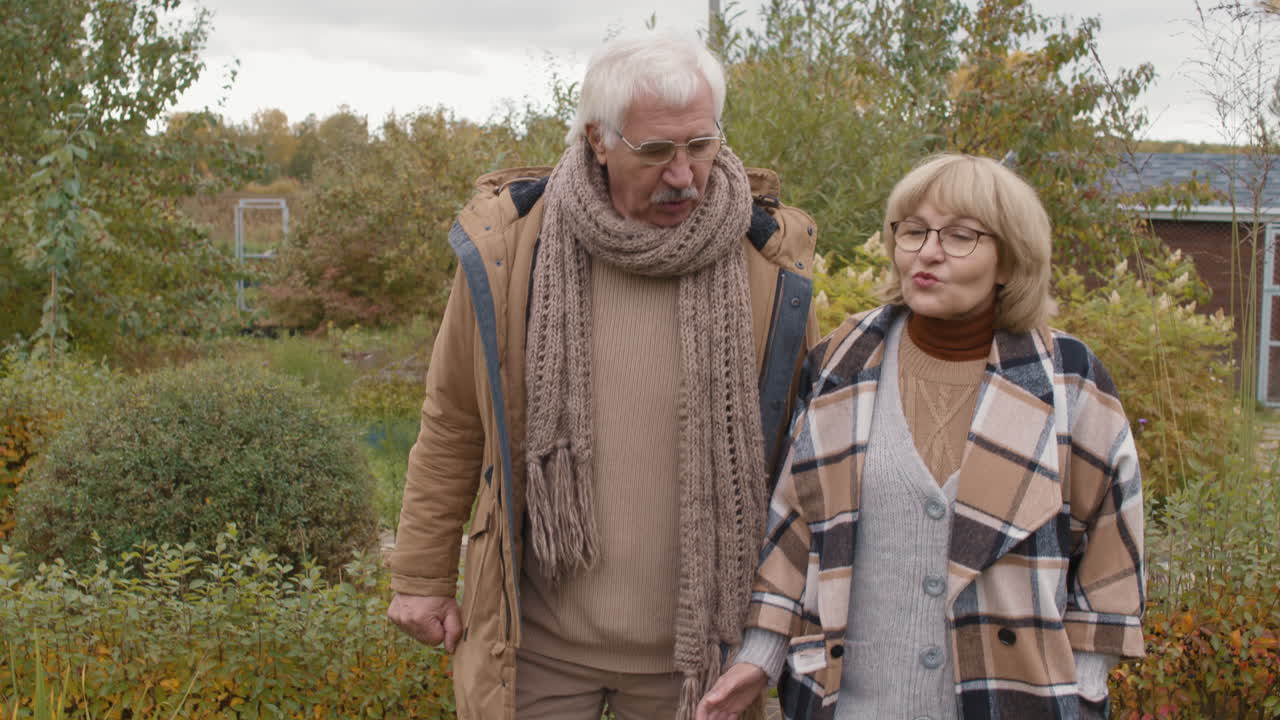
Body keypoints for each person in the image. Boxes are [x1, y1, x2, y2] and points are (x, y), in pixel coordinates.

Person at [386, 28, 820, 720]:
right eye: (654, 152)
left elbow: (810, 455)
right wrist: (420, 574)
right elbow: (454, 419)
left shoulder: (769, 262)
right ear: (597, 139)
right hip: (537, 650)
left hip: (702, 660)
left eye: (701, 145)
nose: (683, 175)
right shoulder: (512, 249)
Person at [697, 153, 1146, 720]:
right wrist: (759, 654)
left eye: (960, 236)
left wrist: (1081, 689)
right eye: (913, 231)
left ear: (1008, 259)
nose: (928, 252)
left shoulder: (1067, 380)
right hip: (848, 703)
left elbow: (1113, 554)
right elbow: (794, 524)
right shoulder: (844, 361)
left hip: (1014, 701)